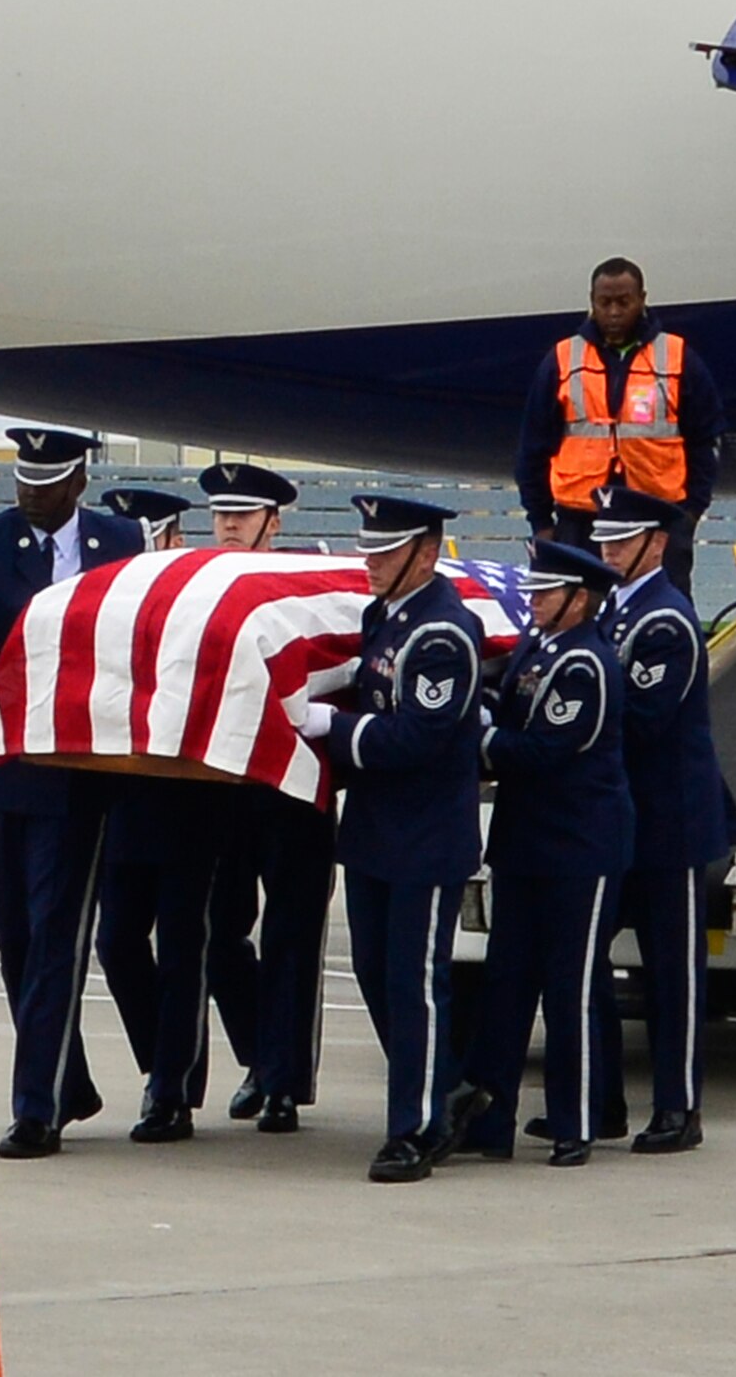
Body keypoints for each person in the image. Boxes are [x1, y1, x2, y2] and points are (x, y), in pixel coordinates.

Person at [0, 427, 145, 1159]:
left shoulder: (122, 542)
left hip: (78, 775)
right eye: (23, 480)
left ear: (78, 482)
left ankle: (38, 1106)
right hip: (3, 764)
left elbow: (135, 640)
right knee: (15, 938)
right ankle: (70, 1079)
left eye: (46, 482)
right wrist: (27, 699)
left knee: (58, 934)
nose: (29, 492)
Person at [297, 495, 484, 1183]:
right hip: (377, 832)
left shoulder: (441, 634)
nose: (370, 562)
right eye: (369, 549)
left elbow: (421, 737)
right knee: (378, 974)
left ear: (426, 554)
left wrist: (332, 728)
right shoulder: (386, 618)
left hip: (425, 838)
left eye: (385, 551)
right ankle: (449, 1090)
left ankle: (418, 1127)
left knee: (415, 983)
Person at [456, 541, 633, 1168]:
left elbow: (545, 751)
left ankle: (576, 1120)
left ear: (578, 600)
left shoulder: (587, 664)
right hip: (528, 844)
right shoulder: (541, 646)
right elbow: (510, 708)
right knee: (505, 983)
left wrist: (478, 739)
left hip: (578, 849)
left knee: (571, 986)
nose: (532, 601)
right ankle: (489, 1117)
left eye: (544, 593)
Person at [590, 485, 736, 1154]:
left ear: (656, 544)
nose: (608, 550)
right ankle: (601, 1100)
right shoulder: (612, 612)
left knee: (671, 975)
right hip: (620, 821)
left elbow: (643, 722)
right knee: (585, 963)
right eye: (603, 539)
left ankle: (679, 1108)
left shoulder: (666, 619)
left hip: (668, 824)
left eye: (621, 540)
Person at [199, 461, 337, 1134]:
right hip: (223, 787)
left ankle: (284, 1082)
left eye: (243, 515)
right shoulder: (197, 585)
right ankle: (259, 1054)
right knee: (218, 933)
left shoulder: (306, 584)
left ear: (272, 522)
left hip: (293, 783)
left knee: (291, 933)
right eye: (221, 514)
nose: (228, 525)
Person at [90, 486, 222, 1140]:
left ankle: (172, 1088)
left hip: (186, 799)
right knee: (115, 943)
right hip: (124, 798)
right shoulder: (104, 607)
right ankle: (162, 1068)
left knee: (181, 948)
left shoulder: (195, 604)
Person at [514, 257, 728, 599]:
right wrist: (541, 522)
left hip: (658, 522)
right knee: (582, 623)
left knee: (661, 616)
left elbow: (706, 439)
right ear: (592, 302)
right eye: (605, 303)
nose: (614, 312)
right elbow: (532, 450)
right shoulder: (562, 359)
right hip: (581, 523)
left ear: (642, 299)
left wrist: (691, 513)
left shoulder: (677, 357)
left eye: (623, 302)